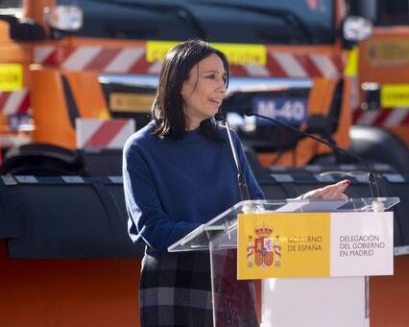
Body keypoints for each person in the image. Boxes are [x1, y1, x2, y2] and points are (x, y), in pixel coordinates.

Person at [123, 39, 349, 326]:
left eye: (224, 78)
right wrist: (222, 233)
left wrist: (305, 205)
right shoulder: (141, 147)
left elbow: (255, 216)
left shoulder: (228, 141)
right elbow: (152, 229)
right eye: (211, 77)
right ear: (179, 83)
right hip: (176, 281)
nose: (222, 87)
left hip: (230, 279)